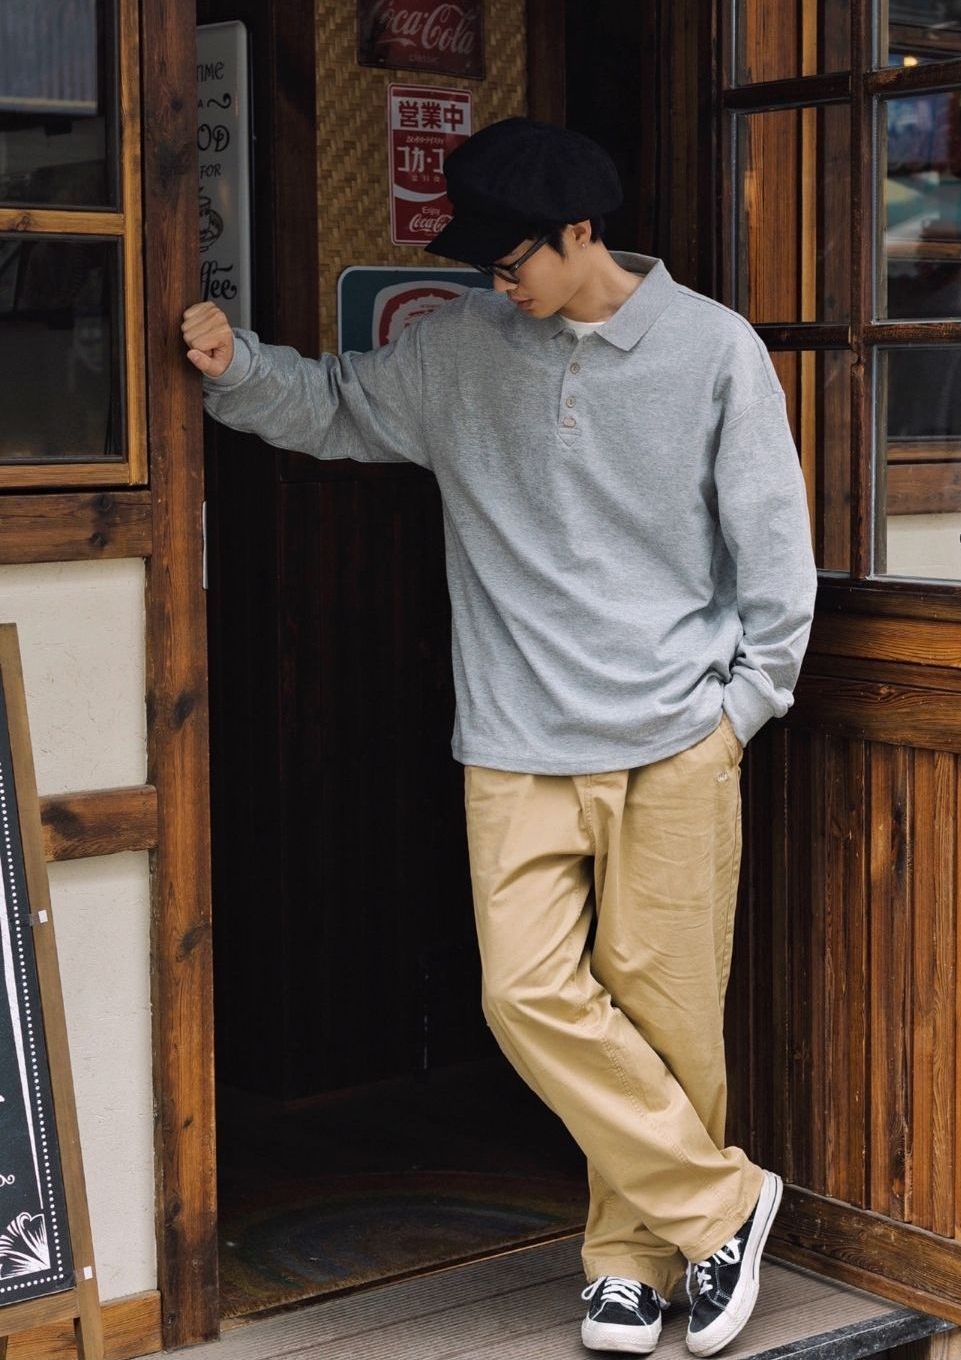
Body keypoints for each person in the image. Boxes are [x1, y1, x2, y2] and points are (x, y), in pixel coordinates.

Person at [182, 116, 817, 1357]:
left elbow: (775, 557)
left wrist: (739, 713)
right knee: (523, 992)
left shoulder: (713, 351)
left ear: (582, 232)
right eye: (483, 260)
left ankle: (629, 1260)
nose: (496, 279)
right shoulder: (458, 346)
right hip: (516, 738)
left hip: (674, 738)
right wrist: (234, 366)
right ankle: (721, 1203)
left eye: (512, 257)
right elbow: (335, 405)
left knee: (668, 1015)